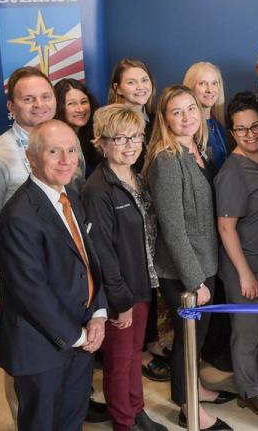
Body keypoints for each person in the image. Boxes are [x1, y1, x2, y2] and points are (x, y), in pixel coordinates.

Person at [0, 120, 107, 431]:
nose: (66, 160)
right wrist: (77, 335)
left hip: (81, 334)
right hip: (41, 346)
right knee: (42, 423)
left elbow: (89, 260)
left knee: (71, 419)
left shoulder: (72, 195)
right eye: (54, 152)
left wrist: (98, 312)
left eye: (71, 150)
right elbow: (32, 293)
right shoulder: (19, 217)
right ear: (32, 157)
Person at [0, 66, 57, 424]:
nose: (38, 104)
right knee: (26, 365)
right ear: (11, 106)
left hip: (62, 278)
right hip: (19, 285)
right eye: (28, 98)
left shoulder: (65, 146)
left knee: (59, 356)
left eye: (45, 96)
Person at [144, 86, 234, 430]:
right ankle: (188, 409)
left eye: (191, 110)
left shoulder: (197, 148)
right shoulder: (166, 160)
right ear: (164, 119)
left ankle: (194, 387)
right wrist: (195, 280)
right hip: (184, 271)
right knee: (187, 340)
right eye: (176, 112)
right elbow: (173, 228)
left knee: (196, 337)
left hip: (205, 261)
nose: (186, 117)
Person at [82, 105, 166, 431]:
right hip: (122, 293)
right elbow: (101, 253)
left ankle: (137, 410)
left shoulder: (136, 176)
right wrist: (120, 300)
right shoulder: (97, 190)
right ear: (101, 143)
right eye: (119, 138)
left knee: (133, 355)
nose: (130, 145)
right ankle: (124, 422)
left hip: (143, 283)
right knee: (119, 362)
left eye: (135, 136)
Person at [213, 93, 258, 419]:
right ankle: (249, 390)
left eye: (255, 125)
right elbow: (226, 228)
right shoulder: (231, 171)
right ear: (232, 133)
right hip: (245, 262)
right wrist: (244, 273)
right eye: (241, 130)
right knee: (248, 330)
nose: (250, 133)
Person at [184, 61, 228, 169]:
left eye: (214, 83)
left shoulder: (219, 124)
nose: (210, 90)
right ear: (191, 88)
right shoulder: (187, 127)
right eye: (202, 83)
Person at [54, 78, 100, 179]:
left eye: (84, 102)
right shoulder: (53, 142)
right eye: (72, 103)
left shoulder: (97, 134)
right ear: (58, 107)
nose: (80, 109)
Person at [108, 58, 155, 133]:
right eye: (131, 82)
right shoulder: (108, 124)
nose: (140, 87)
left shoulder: (158, 120)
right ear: (118, 88)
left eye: (144, 80)